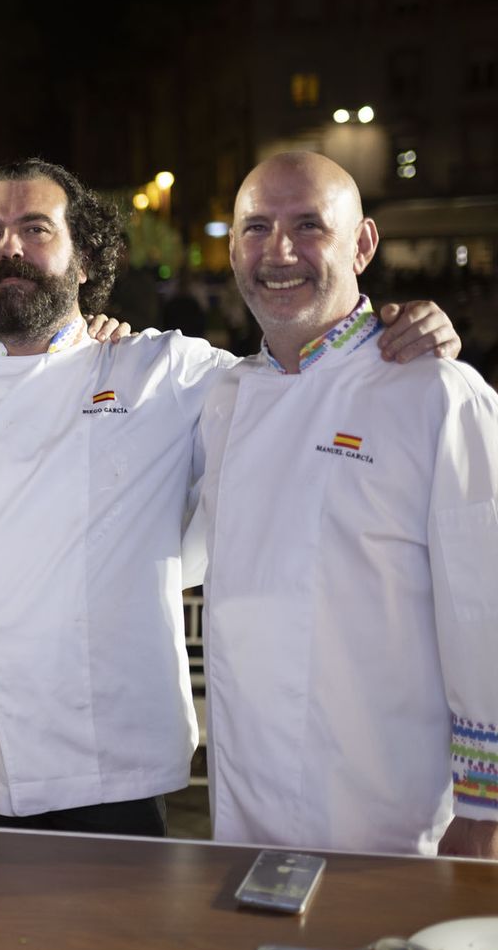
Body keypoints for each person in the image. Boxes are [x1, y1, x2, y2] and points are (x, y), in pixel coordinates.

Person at [0, 159, 458, 836]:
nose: (10, 247)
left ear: (86, 258)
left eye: (36, 228)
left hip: (121, 757)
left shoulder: (168, 371)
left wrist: (394, 330)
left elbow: (302, 380)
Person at [196, 151, 497, 857]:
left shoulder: (438, 394)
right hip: (245, 812)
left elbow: (486, 612)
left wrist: (485, 813)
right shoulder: (225, 398)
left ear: (362, 244)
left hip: (388, 813)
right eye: (257, 227)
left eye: (308, 226)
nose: (280, 251)